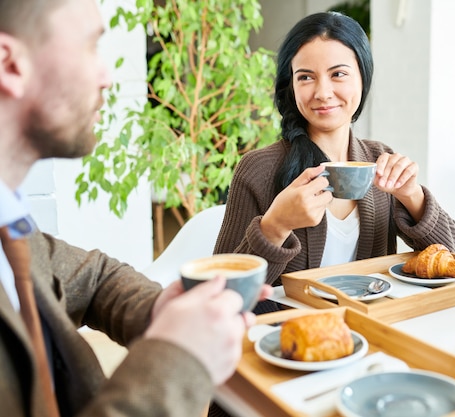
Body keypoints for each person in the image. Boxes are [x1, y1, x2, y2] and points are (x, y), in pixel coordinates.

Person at [0, 1, 271, 416]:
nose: (107, 77)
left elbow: (91, 277)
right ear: (10, 65)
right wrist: (174, 356)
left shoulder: (12, 224)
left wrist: (161, 307)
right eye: (90, 46)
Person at [214, 12, 455, 290]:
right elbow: (222, 290)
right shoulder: (258, 169)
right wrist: (275, 227)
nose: (323, 92)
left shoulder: (379, 160)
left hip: (372, 325)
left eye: (338, 74)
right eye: (306, 77)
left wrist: (412, 196)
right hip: (289, 330)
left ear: (362, 78)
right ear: (291, 86)